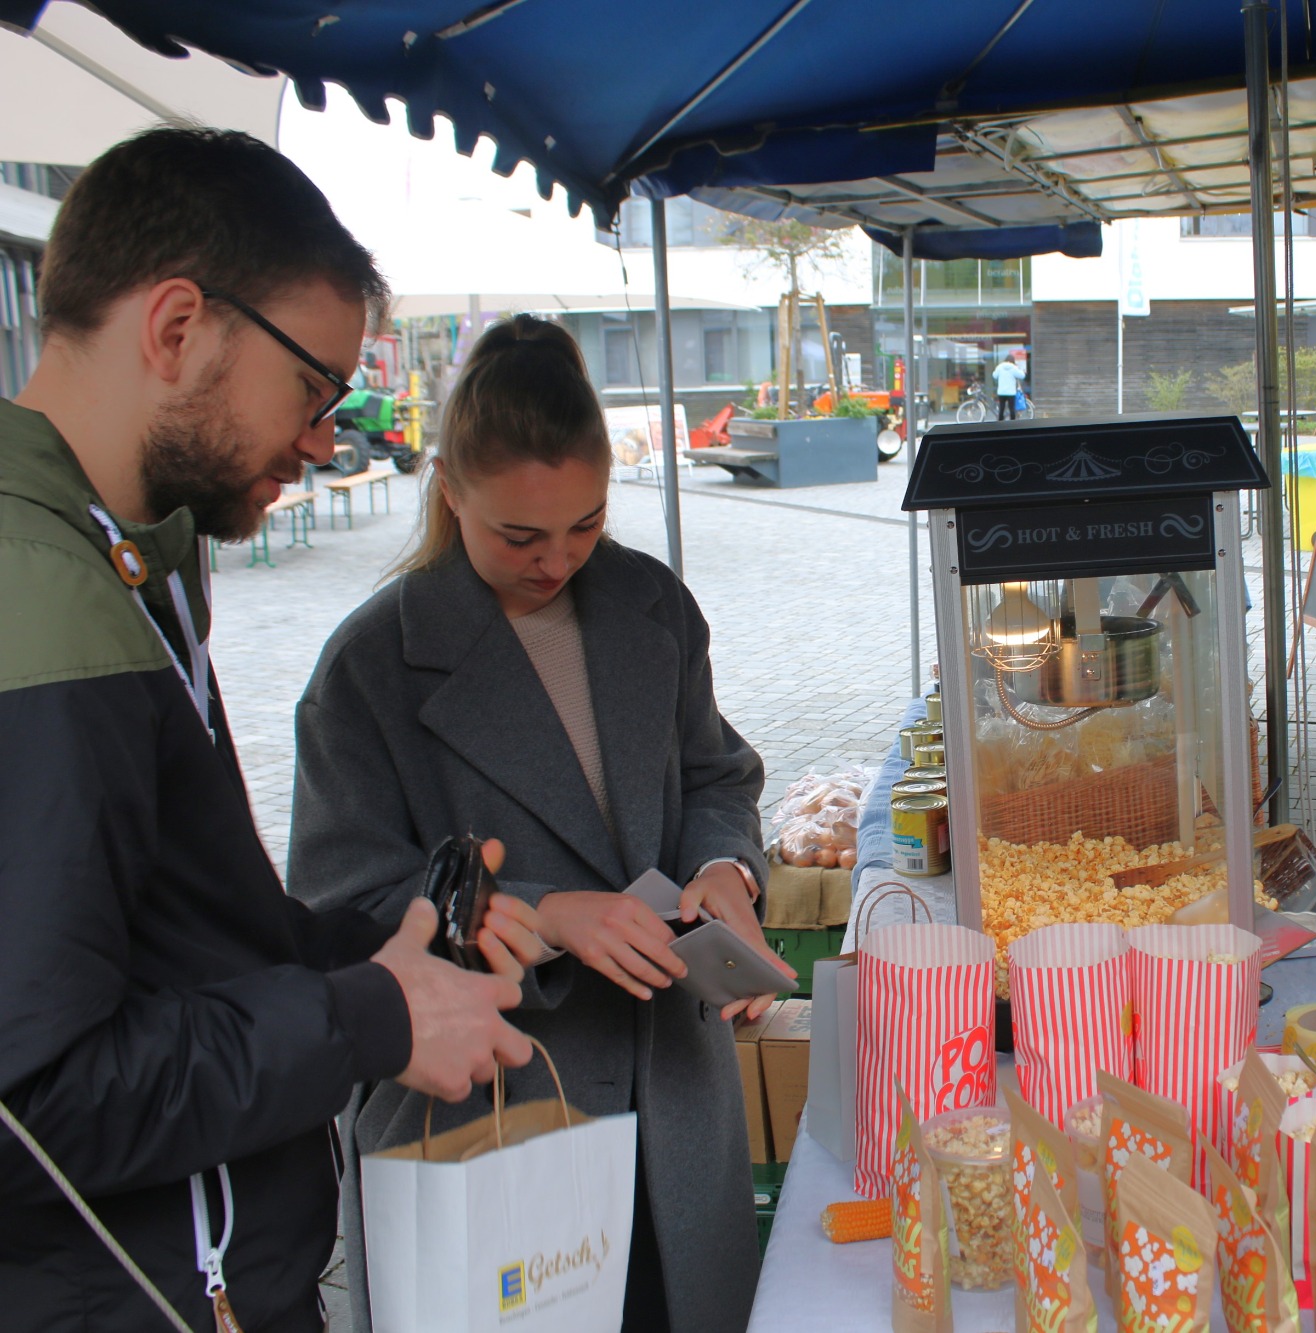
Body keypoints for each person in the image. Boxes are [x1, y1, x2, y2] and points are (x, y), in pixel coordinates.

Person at [0, 128, 532, 1332]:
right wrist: (366, 1017)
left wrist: (374, 952)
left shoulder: (126, 559)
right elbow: (34, 1095)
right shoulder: (34, 588)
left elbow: (172, 942)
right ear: (177, 328)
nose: (323, 438)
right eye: (312, 384)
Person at [288, 314, 790, 1332]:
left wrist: (725, 872)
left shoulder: (652, 607)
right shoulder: (368, 670)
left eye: (587, 524)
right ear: (449, 492)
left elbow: (715, 775)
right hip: (490, 1117)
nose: (557, 559)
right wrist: (543, 913)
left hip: (673, 1107)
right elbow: (334, 906)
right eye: (520, 536)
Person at [994, 350, 1024, 420]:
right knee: (1012, 409)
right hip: (1011, 392)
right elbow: (1022, 376)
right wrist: (1020, 369)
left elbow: (994, 375)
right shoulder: (1014, 368)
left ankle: (1000, 423)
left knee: (1001, 409)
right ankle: (1012, 424)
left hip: (1001, 392)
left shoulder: (1000, 366)